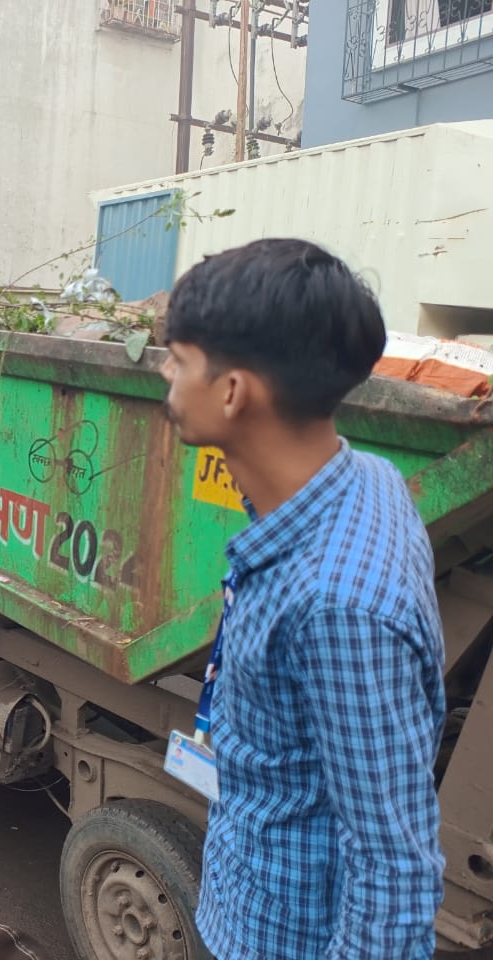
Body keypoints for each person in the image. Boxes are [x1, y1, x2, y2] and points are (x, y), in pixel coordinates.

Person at [160, 238, 445, 959]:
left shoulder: (337, 606)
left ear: (232, 392)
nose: (162, 369)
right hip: (252, 890)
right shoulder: (363, 476)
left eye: (178, 357)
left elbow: (394, 869)